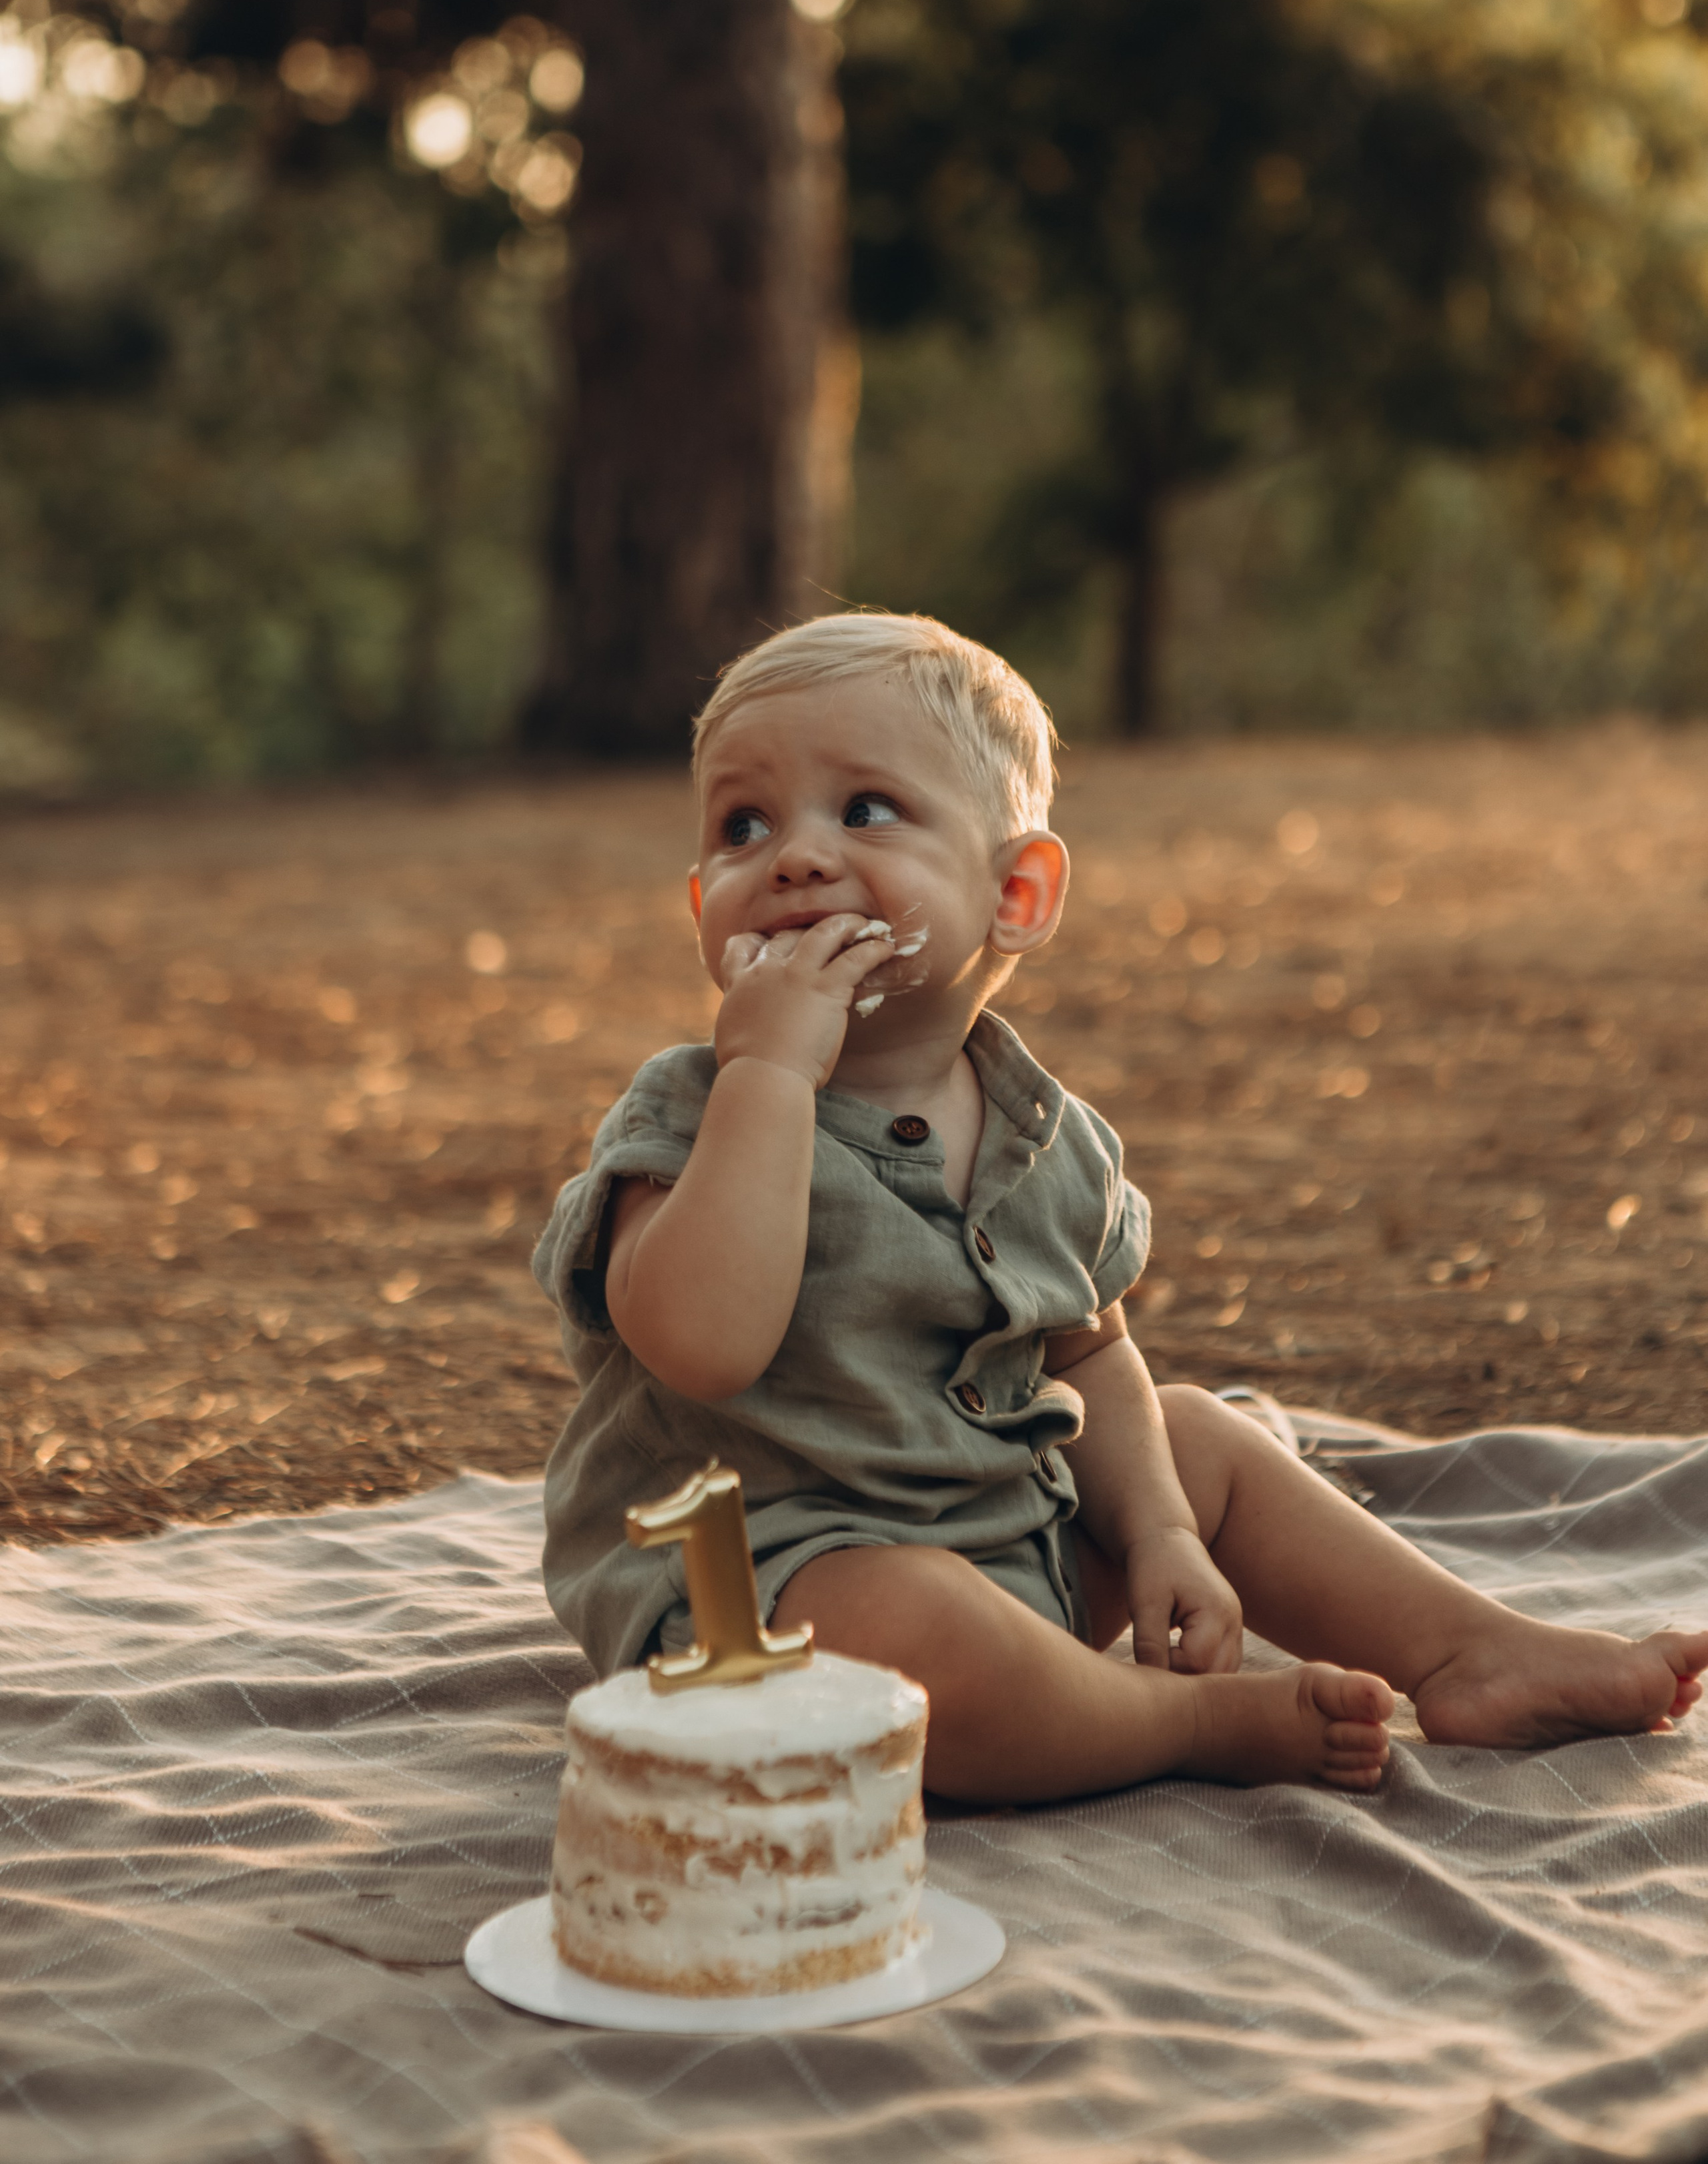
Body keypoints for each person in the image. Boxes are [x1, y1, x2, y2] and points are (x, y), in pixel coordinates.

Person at [533, 613, 1708, 1802]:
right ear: (701, 912)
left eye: (867, 810)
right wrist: (770, 1076)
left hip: (1012, 1551)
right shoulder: (689, 1116)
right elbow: (704, 1343)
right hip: (769, 1602)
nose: (793, 858)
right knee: (915, 1632)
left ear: (1019, 894)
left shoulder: (1045, 1139)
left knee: (1197, 1438)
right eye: (745, 826)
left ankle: (1468, 1652)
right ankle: (1180, 1723)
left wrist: (1159, 1538)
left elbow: (1089, 1355)